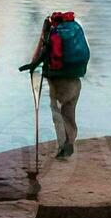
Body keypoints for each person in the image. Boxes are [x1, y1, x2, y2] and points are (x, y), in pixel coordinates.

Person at [19, 11, 90, 159]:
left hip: (59, 82)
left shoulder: (52, 34)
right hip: (76, 79)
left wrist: (43, 33)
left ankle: (63, 149)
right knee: (69, 113)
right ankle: (70, 143)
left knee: (56, 111)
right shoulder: (75, 27)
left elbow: (37, 58)